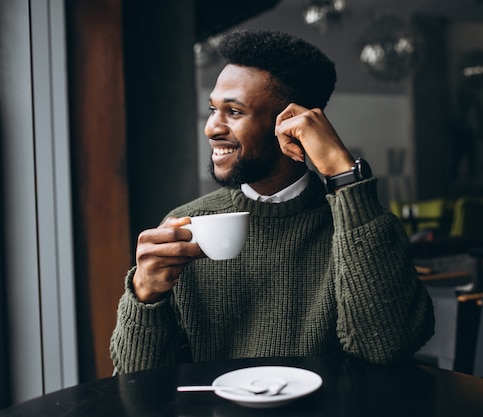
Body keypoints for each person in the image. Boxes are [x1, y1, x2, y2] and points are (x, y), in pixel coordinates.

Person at [110, 29, 434, 374]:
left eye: (234, 112)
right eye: (213, 109)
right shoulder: (186, 225)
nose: (211, 128)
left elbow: (387, 346)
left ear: (292, 124)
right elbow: (135, 381)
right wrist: (145, 295)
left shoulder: (361, 226)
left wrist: (344, 175)